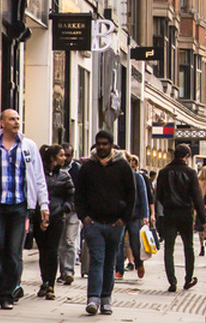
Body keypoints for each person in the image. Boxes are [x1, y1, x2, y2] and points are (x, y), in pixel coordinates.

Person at [0, 109, 50, 309]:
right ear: (2, 122)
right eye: (12, 119)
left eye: (18, 119)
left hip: (19, 207)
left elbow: (39, 178)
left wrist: (44, 205)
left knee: (14, 253)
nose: (16, 122)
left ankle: (5, 294)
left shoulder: (28, 147)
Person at [74, 131, 136, 315]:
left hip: (115, 224)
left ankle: (106, 299)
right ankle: (93, 298)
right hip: (94, 223)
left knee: (109, 262)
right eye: (98, 144)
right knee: (97, 259)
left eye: (105, 144)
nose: (101, 147)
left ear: (111, 145)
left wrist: (123, 219)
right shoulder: (88, 167)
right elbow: (79, 193)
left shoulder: (123, 167)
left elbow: (131, 195)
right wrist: (83, 216)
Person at [155, 144, 206, 291]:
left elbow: (158, 194)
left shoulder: (164, 172)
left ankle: (172, 281)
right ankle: (188, 278)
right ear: (186, 156)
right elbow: (197, 198)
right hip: (186, 214)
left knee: (169, 248)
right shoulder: (190, 173)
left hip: (170, 213)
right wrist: (204, 220)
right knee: (188, 246)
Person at [34, 144, 74, 300]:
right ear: (52, 157)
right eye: (61, 155)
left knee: (52, 250)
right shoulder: (39, 174)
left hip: (57, 218)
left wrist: (64, 209)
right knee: (43, 251)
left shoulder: (65, 176)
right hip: (40, 217)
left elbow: (71, 197)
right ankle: (44, 281)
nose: (64, 158)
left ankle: (51, 284)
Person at [116, 154, 150, 280]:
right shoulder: (117, 177)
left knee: (135, 242)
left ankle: (139, 263)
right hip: (119, 215)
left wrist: (145, 215)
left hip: (134, 216)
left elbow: (144, 197)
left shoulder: (137, 177)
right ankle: (119, 269)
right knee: (118, 243)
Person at [58, 143, 83, 285]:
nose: (65, 158)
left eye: (68, 155)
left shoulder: (77, 170)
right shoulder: (56, 169)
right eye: (63, 155)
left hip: (73, 211)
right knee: (60, 242)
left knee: (69, 240)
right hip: (60, 210)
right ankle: (62, 271)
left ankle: (68, 271)